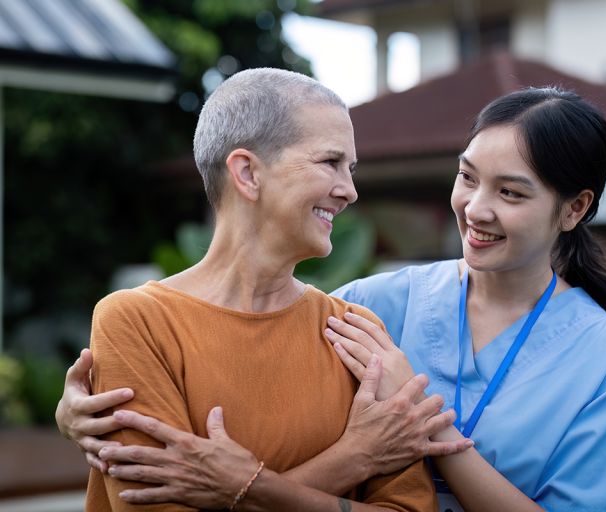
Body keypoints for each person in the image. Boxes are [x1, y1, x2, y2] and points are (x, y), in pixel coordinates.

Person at [58, 87, 606, 511]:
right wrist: (83, 416)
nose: (476, 208)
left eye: (512, 193)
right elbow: (249, 339)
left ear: (573, 209)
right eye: (468, 177)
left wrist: (422, 430)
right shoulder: (369, 307)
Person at [61, 67, 476, 512]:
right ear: (247, 173)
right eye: (330, 162)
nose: (350, 191)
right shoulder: (138, 321)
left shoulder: (353, 331)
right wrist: (352, 458)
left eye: (351, 168)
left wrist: (240, 489)